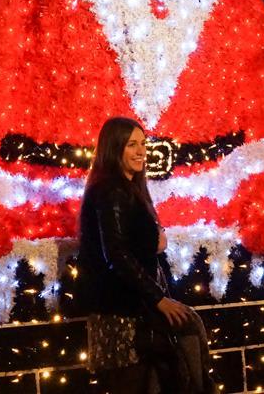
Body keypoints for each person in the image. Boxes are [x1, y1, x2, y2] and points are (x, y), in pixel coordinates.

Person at [76, 116, 214, 393]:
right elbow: (115, 253)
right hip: (121, 314)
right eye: (131, 145)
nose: (141, 151)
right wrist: (158, 298)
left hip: (134, 307)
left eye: (143, 144)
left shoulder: (128, 189)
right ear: (114, 148)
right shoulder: (111, 191)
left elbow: (132, 240)